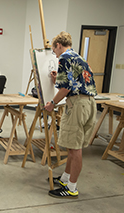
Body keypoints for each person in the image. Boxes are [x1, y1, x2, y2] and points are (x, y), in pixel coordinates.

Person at [44, 31, 97, 199]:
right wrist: (56, 81)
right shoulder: (78, 57)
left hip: (77, 104)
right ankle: (66, 179)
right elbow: (72, 83)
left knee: (74, 148)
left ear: (59, 45)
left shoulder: (65, 58)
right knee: (74, 145)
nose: (55, 54)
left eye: (54, 50)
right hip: (88, 103)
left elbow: (66, 88)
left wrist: (51, 103)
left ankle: (72, 187)